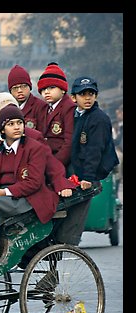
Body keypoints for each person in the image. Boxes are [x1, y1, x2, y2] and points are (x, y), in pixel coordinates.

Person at [0, 105, 73, 284]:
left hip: (30, 198)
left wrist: (2, 192)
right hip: (4, 198)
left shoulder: (35, 148)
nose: (17, 127)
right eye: (11, 124)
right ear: (2, 129)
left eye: (20, 123)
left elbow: (34, 183)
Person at [52, 76, 119, 246]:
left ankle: (66, 243)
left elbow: (94, 151)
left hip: (89, 173)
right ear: (74, 98)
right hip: (75, 169)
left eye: (91, 93)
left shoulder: (98, 118)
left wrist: (88, 177)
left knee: (76, 211)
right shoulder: (74, 116)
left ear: (96, 96)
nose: (87, 98)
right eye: (82, 94)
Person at [37, 62, 76, 170]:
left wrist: (55, 164)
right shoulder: (46, 108)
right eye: (44, 89)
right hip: (47, 158)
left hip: (64, 161)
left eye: (52, 88)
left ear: (63, 89)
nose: (47, 92)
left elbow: (69, 142)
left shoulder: (69, 108)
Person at [8, 64, 48, 133]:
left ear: (30, 87)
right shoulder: (8, 108)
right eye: (15, 88)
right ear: (10, 91)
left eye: (23, 86)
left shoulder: (41, 107)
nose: (19, 90)